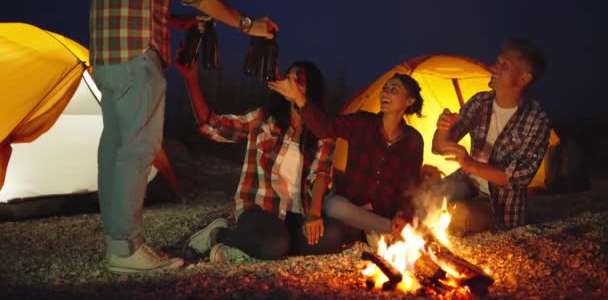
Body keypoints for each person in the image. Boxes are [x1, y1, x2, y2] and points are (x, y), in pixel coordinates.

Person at [89, 0, 278, 274]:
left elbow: (136, 0)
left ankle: (117, 243)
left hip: (109, 55)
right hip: (136, 54)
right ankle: (126, 249)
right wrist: (247, 24)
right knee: (137, 150)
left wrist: (177, 23)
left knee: (115, 148)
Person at [178, 59, 350, 263]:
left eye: (299, 80)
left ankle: (248, 249)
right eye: (289, 77)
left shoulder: (322, 131)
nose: (291, 83)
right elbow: (212, 125)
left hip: (296, 214)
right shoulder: (263, 119)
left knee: (333, 236)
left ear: (310, 89)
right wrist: (191, 80)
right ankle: (219, 234)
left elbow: (321, 172)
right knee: (276, 241)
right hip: (259, 208)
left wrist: (313, 214)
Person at [268, 73, 424, 245]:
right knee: (334, 205)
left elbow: (410, 187)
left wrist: (402, 215)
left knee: (424, 209)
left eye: (393, 90)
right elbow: (326, 127)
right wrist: (300, 99)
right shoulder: (363, 123)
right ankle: (390, 231)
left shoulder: (413, 140)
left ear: (409, 101)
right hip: (353, 208)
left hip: (387, 211)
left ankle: (377, 230)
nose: (385, 93)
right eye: (385, 88)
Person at [431, 38, 551, 235]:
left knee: (460, 215)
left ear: (524, 78)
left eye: (504, 65)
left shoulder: (537, 119)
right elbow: (440, 146)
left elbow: (520, 178)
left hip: (499, 201)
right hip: (467, 182)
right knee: (426, 197)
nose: (493, 67)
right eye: (497, 62)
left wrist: (470, 164)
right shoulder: (481, 102)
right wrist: (443, 129)